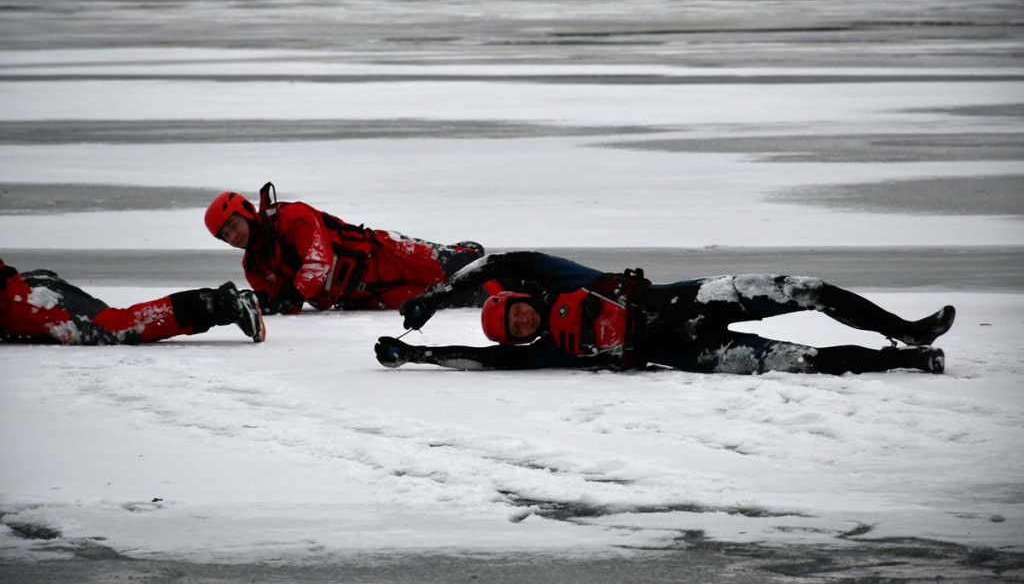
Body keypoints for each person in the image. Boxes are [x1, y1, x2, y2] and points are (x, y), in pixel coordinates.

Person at [374, 251, 955, 375]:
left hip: (692, 299)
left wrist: (435, 297)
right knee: (803, 361)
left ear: (521, 300)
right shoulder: (547, 352)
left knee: (805, 288)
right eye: (517, 331)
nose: (523, 325)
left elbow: (500, 259)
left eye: (518, 315)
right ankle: (905, 360)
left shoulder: (555, 279)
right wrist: (415, 354)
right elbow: (476, 359)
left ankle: (906, 330)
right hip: (690, 353)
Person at [204, 182, 490, 315]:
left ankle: (465, 254)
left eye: (232, 225)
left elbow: (319, 262)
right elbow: (285, 305)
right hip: (362, 296)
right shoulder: (255, 267)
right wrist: (264, 304)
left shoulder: (292, 217)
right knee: (454, 298)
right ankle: (493, 293)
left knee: (456, 267)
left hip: (381, 254)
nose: (232, 236)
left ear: (245, 210)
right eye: (224, 235)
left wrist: (290, 295)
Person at [0, 258, 264, 345]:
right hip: (23, 293)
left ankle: (222, 304)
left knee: (114, 326)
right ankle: (219, 304)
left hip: (24, 299)